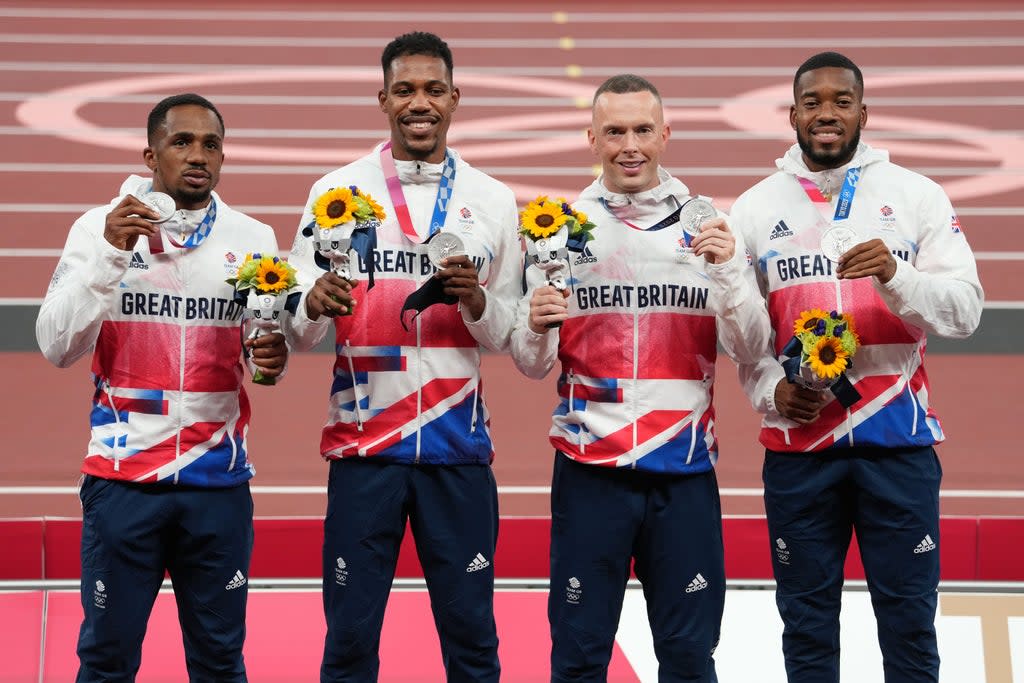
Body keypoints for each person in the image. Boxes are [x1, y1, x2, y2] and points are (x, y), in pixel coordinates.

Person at [729, 51, 984, 682]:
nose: (826, 114)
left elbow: (965, 312)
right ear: (792, 114)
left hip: (897, 444)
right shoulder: (757, 209)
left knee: (909, 627)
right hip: (800, 449)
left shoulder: (916, 196)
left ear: (862, 113)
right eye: (812, 102)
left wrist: (897, 277)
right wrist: (769, 389)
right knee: (807, 627)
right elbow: (742, 335)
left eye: (841, 102)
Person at [511, 74, 771, 682]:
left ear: (666, 135)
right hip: (588, 471)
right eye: (615, 132)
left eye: (643, 130)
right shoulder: (558, 230)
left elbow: (753, 345)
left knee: (687, 659)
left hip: (682, 474)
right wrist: (535, 325)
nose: (630, 145)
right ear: (592, 138)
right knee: (578, 658)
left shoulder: (710, 228)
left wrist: (731, 271)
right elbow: (530, 362)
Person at [284, 31, 520, 683]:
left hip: (458, 454)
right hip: (364, 454)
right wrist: (310, 301)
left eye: (434, 89)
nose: (421, 102)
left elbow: (518, 341)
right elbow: (294, 329)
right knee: (350, 643)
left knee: (473, 644)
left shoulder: (494, 201)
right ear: (383, 97)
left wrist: (477, 303)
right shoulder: (335, 192)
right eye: (407, 89)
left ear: (455, 99)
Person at [36, 93, 288, 682]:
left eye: (211, 144)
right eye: (181, 142)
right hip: (122, 485)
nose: (198, 155)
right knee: (106, 660)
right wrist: (109, 256)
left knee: (220, 661)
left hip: (217, 486)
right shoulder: (98, 229)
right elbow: (55, 344)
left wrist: (268, 359)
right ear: (150, 154)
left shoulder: (252, 237)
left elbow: (262, 355)